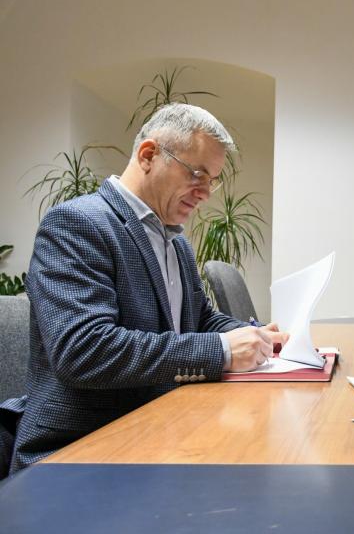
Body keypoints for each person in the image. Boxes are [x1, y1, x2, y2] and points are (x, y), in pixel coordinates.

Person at [10, 104, 288, 474]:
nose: (206, 193)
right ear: (148, 155)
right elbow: (84, 350)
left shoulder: (175, 242)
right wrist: (221, 350)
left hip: (158, 430)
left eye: (212, 180)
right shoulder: (77, 223)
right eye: (197, 174)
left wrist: (256, 337)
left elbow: (200, 320)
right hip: (79, 452)